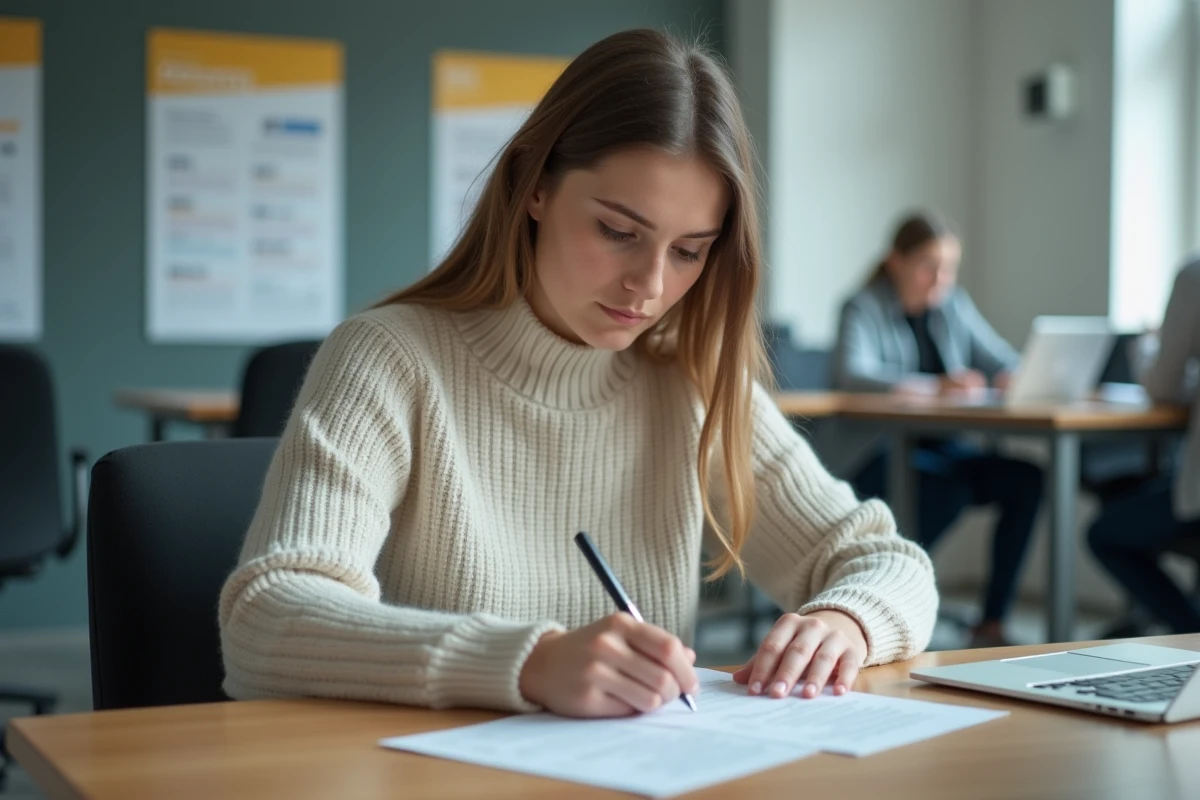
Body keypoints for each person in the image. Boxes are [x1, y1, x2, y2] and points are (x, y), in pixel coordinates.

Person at [218, 29, 937, 719]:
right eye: (618, 232)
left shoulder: (687, 381)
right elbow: (266, 619)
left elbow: (888, 561)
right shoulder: (388, 359)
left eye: (688, 251)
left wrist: (846, 621)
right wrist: (527, 663)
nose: (649, 286)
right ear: (534, 185)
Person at [823, 213, 1042, 648]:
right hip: (879, 451)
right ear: (896, 261)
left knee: (1028, 479)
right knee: (947, 490)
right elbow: (853, 373)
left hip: (944, 449)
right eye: (928, 266)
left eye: (949, 267)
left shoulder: (953, 304)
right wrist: (934, 385)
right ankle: (890, 591)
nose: (940, 279)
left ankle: (991, 622)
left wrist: (1016, 376)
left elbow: (1002, 359)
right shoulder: (862, 305)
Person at [1087, 260, 1200, 633]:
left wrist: (1148, 346)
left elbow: (1163, 386)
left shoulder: (1195, 275)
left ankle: (1189, 631)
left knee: (1105, 535)